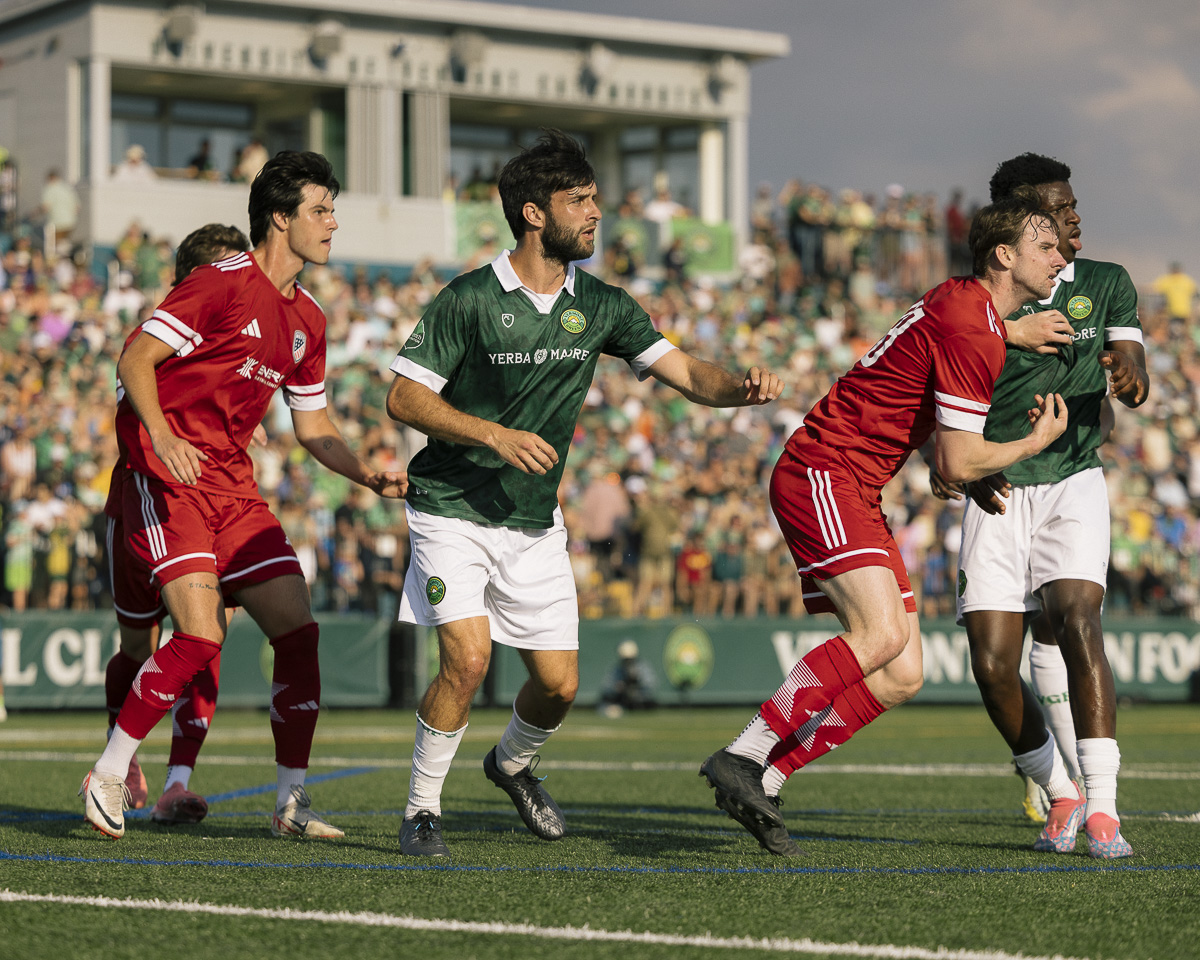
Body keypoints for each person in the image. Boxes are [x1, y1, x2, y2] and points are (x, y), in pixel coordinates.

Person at [385, 128, 783, 857]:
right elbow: (404, 398)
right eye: (580, 200)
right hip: (450, 508)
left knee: (560, 688)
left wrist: (740, 389)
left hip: (534, 521)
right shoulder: (468, 298)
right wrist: (492, 435)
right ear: (534, 214)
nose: (597, 212)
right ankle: (421, 812)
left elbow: (687, 373)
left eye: (596, 198)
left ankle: (510, 765)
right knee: (467, 662)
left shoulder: (603, 304)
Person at [699, 195, 1075, 856]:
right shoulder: (973, 325)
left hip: (853, 483)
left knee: (903, 672)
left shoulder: (964, 304)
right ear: (1004, 254)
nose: (1060, 258)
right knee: (881, 634)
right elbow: (957, 458)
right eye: (1046, 246)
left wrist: (1010, 338)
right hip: (825, 470)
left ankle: (769, 776)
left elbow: (924, 400)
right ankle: (745, 752)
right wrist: (1031, 442)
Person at [78, 151, 405, 840]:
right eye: (321, 210)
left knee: (299, 630)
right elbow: (135, 357)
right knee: (198, 636)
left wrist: (369, 475)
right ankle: (109, 772)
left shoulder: (309, 319)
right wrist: (163, 435)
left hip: (234, 492)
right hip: (166, 484)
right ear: (280, 218)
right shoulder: (219, 282)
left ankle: (290, 803)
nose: (333, 223)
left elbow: (314, 426)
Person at [931, 154, 1148, 860]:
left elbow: (1134, 367)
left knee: (1077, 619)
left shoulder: (1106, 282)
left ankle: (1104, 809)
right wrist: (947, 457)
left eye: (1074, 205)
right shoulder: (976, 299)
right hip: (996, 487)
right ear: (1020, 224)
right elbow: (938, 385)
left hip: (1072, 479)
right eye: (1059, 209)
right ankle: (1060, 792)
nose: (1074, 217)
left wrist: (1128, 376)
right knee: (993, 665)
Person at [100, 223, 252, 824]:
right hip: (146, 505)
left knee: (205, 636)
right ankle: (120, 747)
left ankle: (178, 782)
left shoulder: (239, 341)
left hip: (215, 506)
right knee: (138, 646)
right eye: (224, 274)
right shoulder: (155, 337)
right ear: (192, 281)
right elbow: (133, 399)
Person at [598, 640, 657, 717]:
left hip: (641, 702)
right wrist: (617, 688)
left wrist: (637, 685)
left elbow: (651, 686)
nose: (628, 662)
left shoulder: (642, 668)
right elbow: (606, 688)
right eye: (626, 659)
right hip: (622, 701)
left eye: (630, 659)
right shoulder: (617, 670)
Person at [39, 169, 80, 255]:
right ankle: (66, 257)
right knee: (63, 243)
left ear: (50, 178)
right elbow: (77, 208)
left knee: (52, 247)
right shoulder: (67, 188)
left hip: (56, 223)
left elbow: (45, 207)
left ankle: (55, 259)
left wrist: (36, 213)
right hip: (70, 223)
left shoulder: (50, 189)